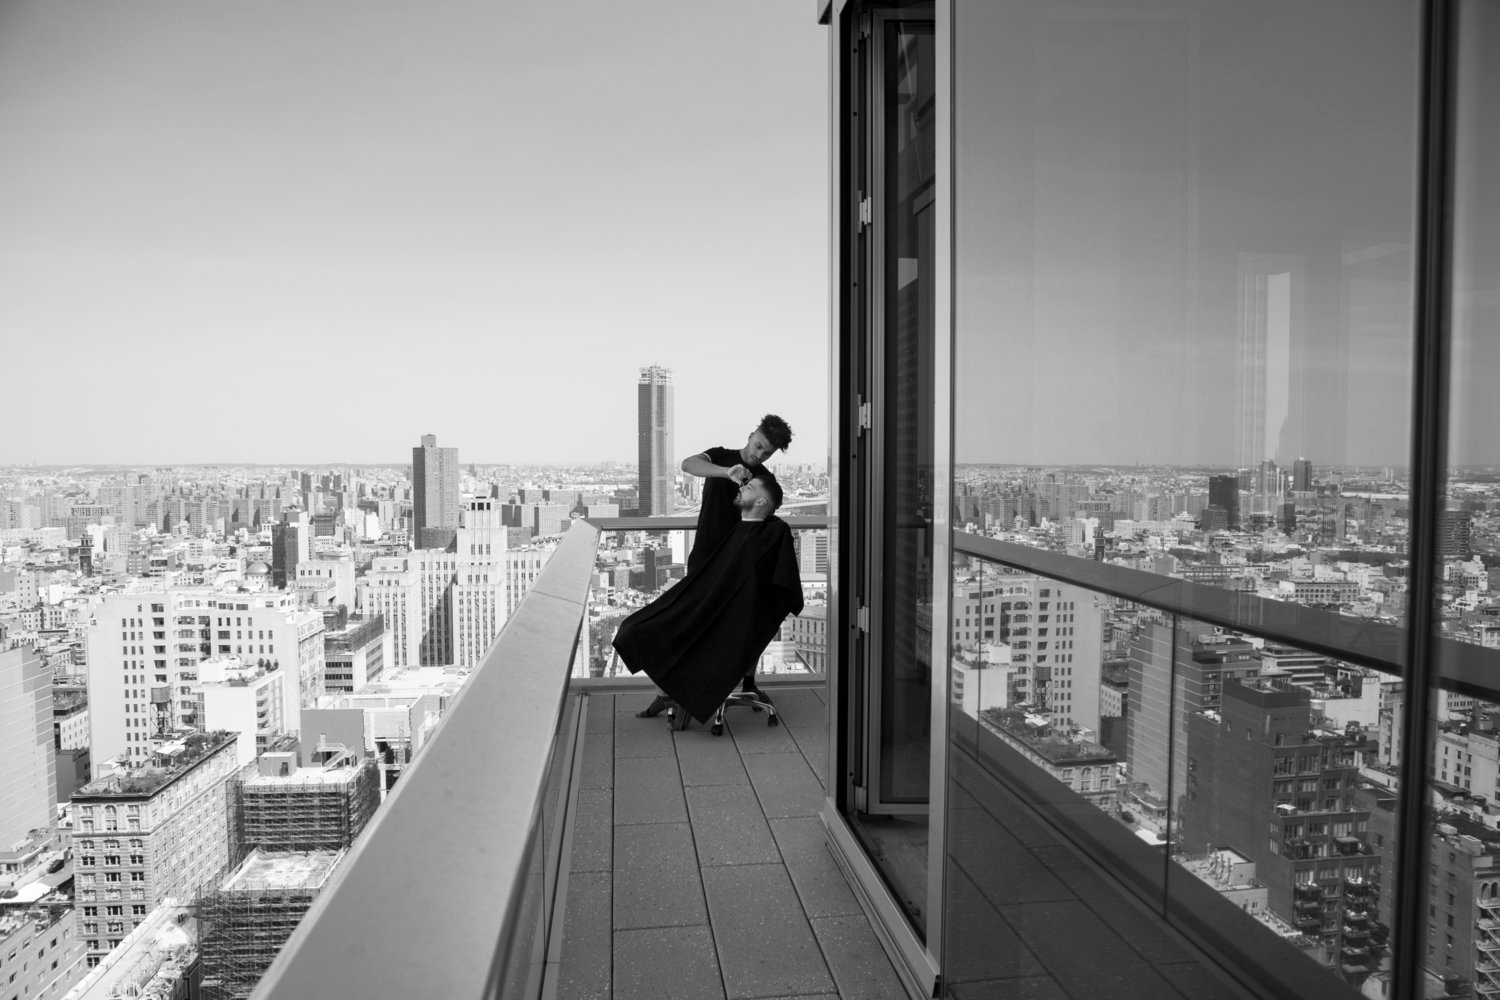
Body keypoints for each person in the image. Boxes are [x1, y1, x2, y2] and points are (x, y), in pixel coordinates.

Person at [614, 471, 803, 729]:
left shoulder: (767, 536)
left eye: (749, 488)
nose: (742, 489)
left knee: (639, 632)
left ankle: (677, 697)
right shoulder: (743, 530)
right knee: (631, 629)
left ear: (760, 503)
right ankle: (671, 695)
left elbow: (749, 589)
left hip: (724, 620)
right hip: (706, 607)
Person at [641, 413, 791, 716]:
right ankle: (670, 691)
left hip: (739, 567)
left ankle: (747, 682)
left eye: (766, 452)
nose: (758, 454)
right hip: (705, 557)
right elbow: (688, 465)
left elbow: (768, 510)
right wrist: (726, 472)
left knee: (746, 625)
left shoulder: (765, 479)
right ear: (751, 434)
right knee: (689, 624)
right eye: (758, 445)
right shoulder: (721, 457)